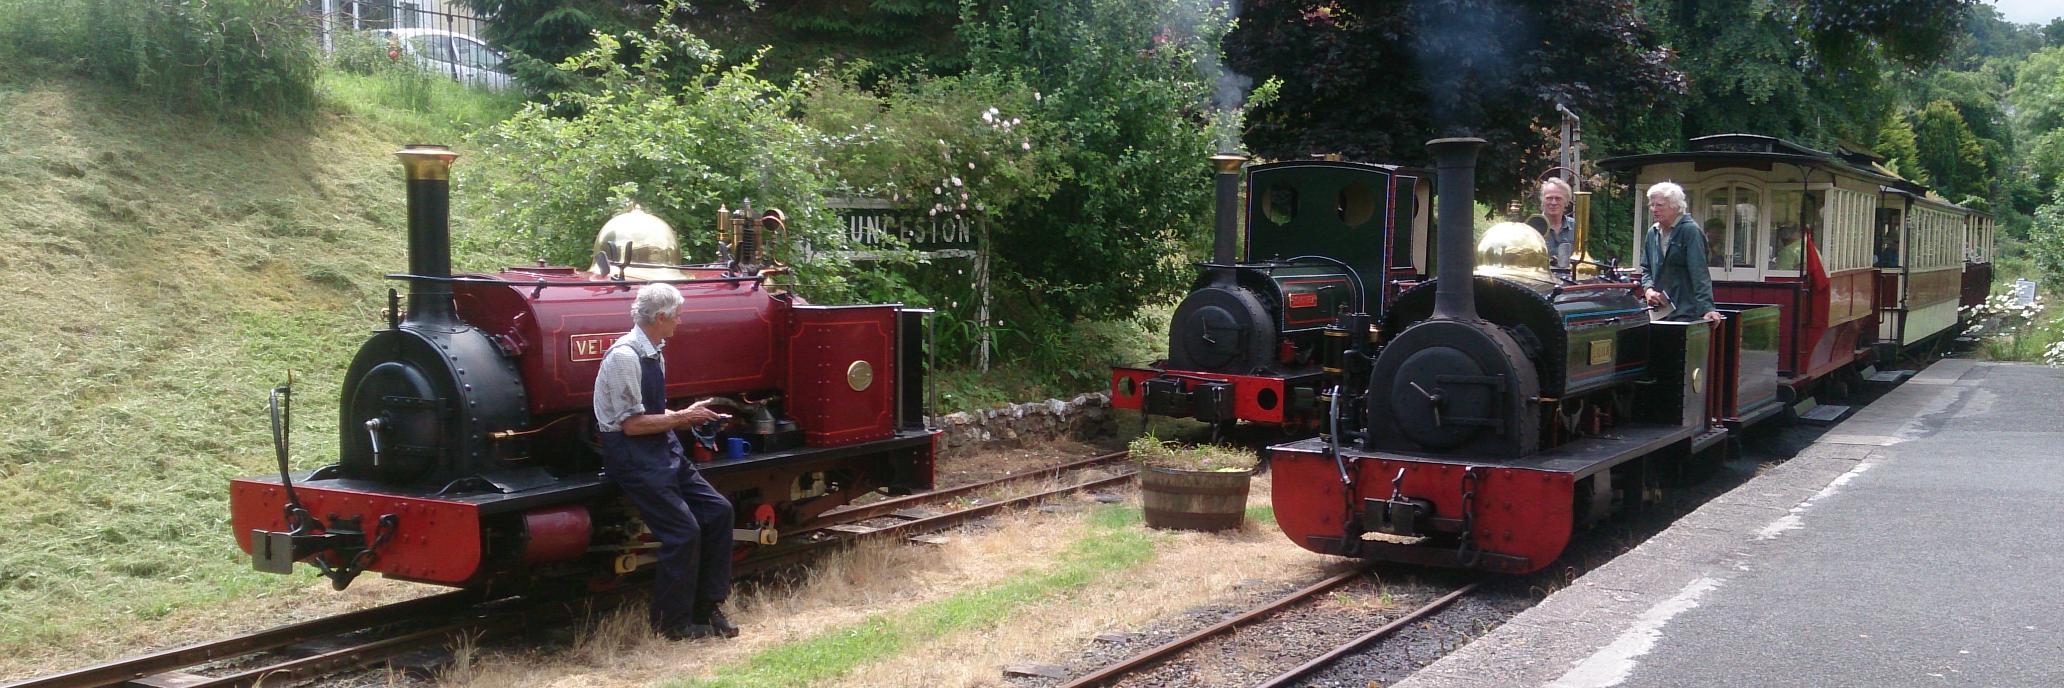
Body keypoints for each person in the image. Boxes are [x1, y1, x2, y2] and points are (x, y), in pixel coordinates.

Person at [593, 283, 740, 640]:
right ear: (660, 317)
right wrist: (683, 418)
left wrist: (689, 416)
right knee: (683, 532)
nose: (680, 322)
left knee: (719, 512)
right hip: (632, 454)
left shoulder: (655, 352)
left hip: (662, 446)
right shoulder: (625, 357)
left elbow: (653, 415)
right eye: (677, 316)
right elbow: (632, 425)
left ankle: (707, 607)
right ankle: (672, 624)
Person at [1639, 182, 1723, 323]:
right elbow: (1646, 268)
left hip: (1686, 312)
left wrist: (1708, 308)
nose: (1654, 209)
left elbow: (1699, 273)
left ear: (1675, 206)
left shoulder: (1690, 231)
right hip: (1658, 312)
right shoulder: (1652, 233)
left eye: (1659, 205)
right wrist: (1648, 290)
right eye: (1652, 205)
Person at [1536, 177, 1577, 269]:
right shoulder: (1532, 227)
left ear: (1566, 201)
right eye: (1549, 198)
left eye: (1558, 198)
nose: (1553, 202)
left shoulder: (1576, 227)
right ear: (1542, 200)